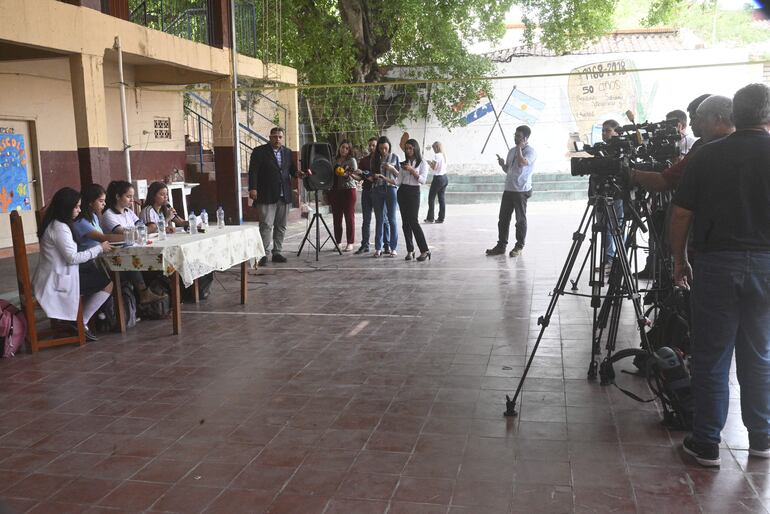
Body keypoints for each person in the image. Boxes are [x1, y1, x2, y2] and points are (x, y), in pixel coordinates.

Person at [670, 83, 770, 467]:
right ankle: (760, 436)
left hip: (716, 265)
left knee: (711, 356)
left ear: (733, 116)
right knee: (759, 354)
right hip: (765, 265)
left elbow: (681, 213)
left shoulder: (708, 156)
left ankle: (707, 442)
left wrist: (678, 261)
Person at [33, 187, 113, 342]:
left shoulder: (57, 223)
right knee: (107, 284)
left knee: (97, 273)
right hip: (56, 280)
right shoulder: (60, 227)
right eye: (76, 207)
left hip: (59, 273)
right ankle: (81, 321)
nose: (79, 210)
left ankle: (76, 320)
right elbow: (72, 258)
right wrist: (99, 248)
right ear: (65, 208)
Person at [101, 180, 166, 305]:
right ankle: (143, 292)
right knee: (132, 259)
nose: (132, 200)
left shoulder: (128, 212)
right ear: (117, 196)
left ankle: (155, 292)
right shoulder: (109, 215)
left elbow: (144, 228)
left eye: (132, 197)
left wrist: (141, 230)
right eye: (128, 196)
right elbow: (125, 233)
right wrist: (140, 231)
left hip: (134, 247)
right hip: (116, 255)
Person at [248, 127, 298, 265]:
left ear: (283, 138)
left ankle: (277, 252)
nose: (277, 139)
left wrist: (300, 174)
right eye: (275, 137)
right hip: (266, 194)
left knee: (281, 225)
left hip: (284, 194)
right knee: (266, 225)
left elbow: (293, 171)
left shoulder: (287, 152)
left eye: (280, 137)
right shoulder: (259, 151)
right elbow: (253, 171)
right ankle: (263, 254)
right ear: (270, 137)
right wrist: (252, 188)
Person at [486, 125, 537, 258]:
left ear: (525, 138)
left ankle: (519, 246)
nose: (515, 137)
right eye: (515, 135)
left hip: (521, 190)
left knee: (520, 220)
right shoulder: (511, 151)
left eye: (518, 136)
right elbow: (508, 169)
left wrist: (520, 147)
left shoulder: (530, 151)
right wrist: (503, 164)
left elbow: (522, 163)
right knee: (503, 219)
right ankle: (501, 246)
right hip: (508, 189)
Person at [397, 138, 431, 262]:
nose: (408, 150)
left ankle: (425, 250)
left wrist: (412, 171)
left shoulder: (422, 163)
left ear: (416, 148)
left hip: (414, 192)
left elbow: (423, 180)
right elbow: (398, 181)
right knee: (405, 223)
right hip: (402, 192)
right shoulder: (403, 163)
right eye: (406, 148)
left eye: (410, 148)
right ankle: (410, 250)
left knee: (413, 221)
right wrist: (386, 176)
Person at [354, 137, 389, 254]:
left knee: (383, 219)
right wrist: (352, 174)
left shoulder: (382, 160)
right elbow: (360, 178)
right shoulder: (364, 160)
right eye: (369, 145)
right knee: (366, 220)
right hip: (367, 191)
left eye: (373, 145)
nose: (371, 147)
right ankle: (365, 245)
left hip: (380, 192)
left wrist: (369, 175)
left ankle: (386, 245)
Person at [370, 136, 399, 258]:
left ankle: (393, 248)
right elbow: (371, 176)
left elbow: (398, 176)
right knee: (379, 219)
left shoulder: (394, 157)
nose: (383, 151)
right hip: (377, 189)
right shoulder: (374, 158)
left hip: (391, 189)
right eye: (381, 148)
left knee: (392, 219)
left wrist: (391, 168)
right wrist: (373, 176)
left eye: (385, 148)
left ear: (389, 147)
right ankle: (378, 248)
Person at [329, 141, 358, 252]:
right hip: (335, 191)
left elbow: (355, 175)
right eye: (342, 147)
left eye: (346, 148)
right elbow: (330, 175)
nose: (344, 150)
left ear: (349, 150)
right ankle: (338, 242)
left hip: (349, 191)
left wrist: (346, 175)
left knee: (349, 218)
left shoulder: (351, 161)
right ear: (339, 148)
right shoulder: (334, 160)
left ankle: (350, 243)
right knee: (337, 218)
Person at [424, 141, 448, 224]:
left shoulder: (436, 155)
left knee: (431, 198)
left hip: (438, 179)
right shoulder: (443, 155)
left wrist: (428, 162)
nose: (433, 150)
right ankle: (441, 218)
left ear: (436, 148)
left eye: (433, 148)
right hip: (445, 178)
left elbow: (434, 167)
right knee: (442, 199)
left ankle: (430, 218)